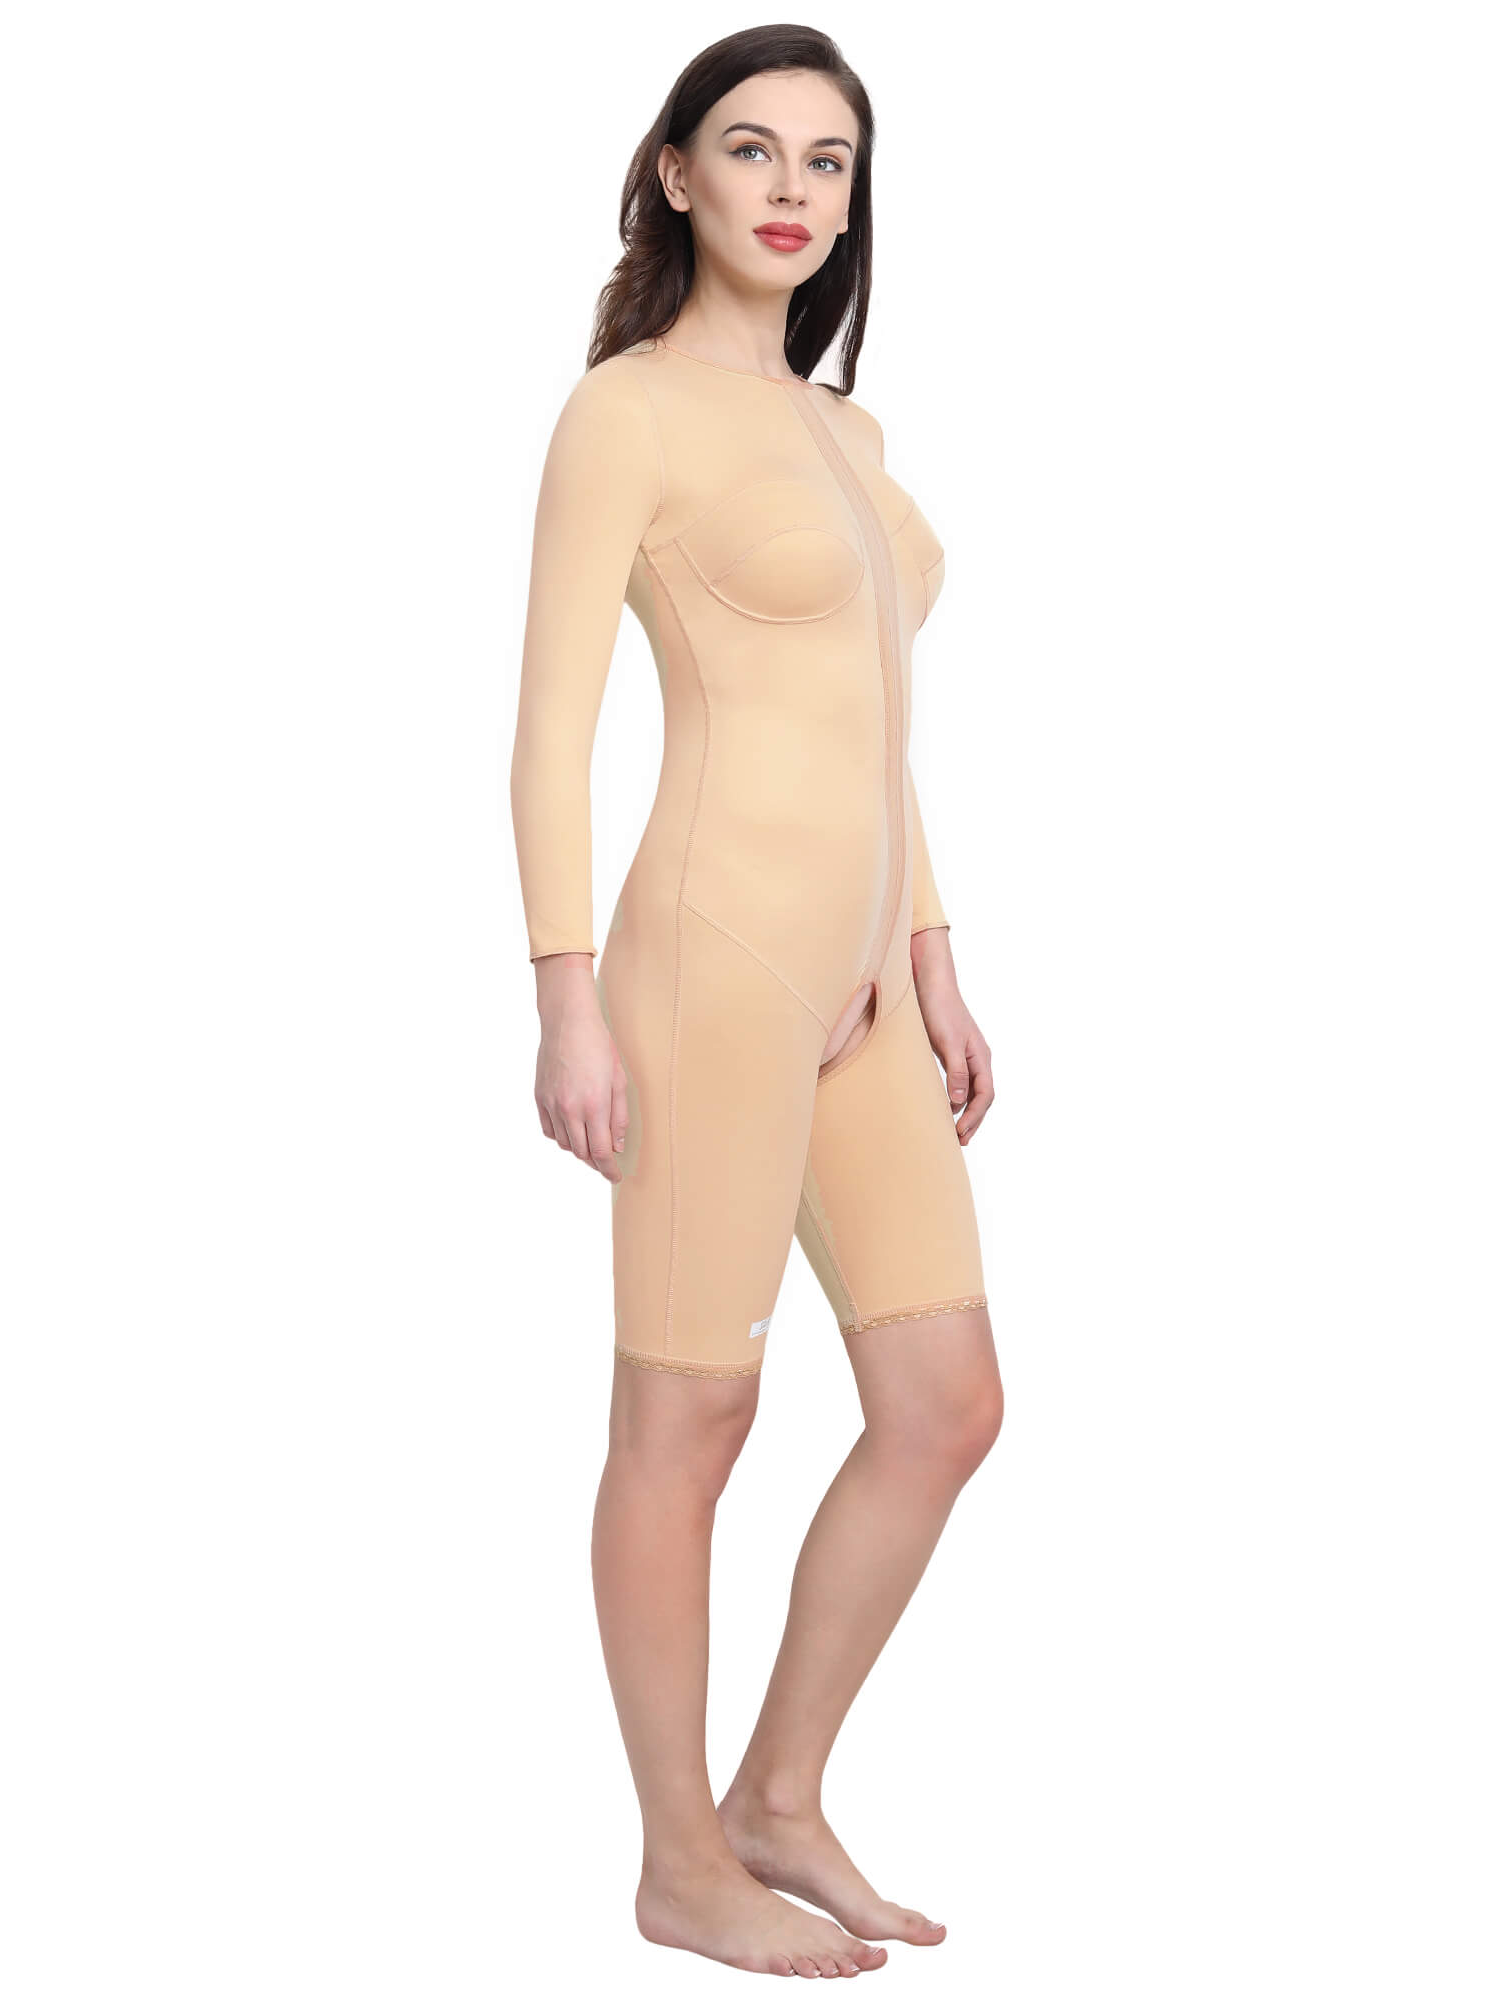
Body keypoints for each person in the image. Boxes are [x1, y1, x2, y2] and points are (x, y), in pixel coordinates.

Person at [509, 27, 1003, 1980]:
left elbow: (877, 726)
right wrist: (562, 998)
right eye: (752, 149)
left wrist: (935, 951)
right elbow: (550, 731)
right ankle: (674, 1859)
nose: (794, 189)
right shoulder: (624, 413)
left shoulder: (846, 437)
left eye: (829, 160)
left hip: (867, 985)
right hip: (710, 962)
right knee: (691, 1409)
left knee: (945, 1404)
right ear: (674, 174)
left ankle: (778, 1797)